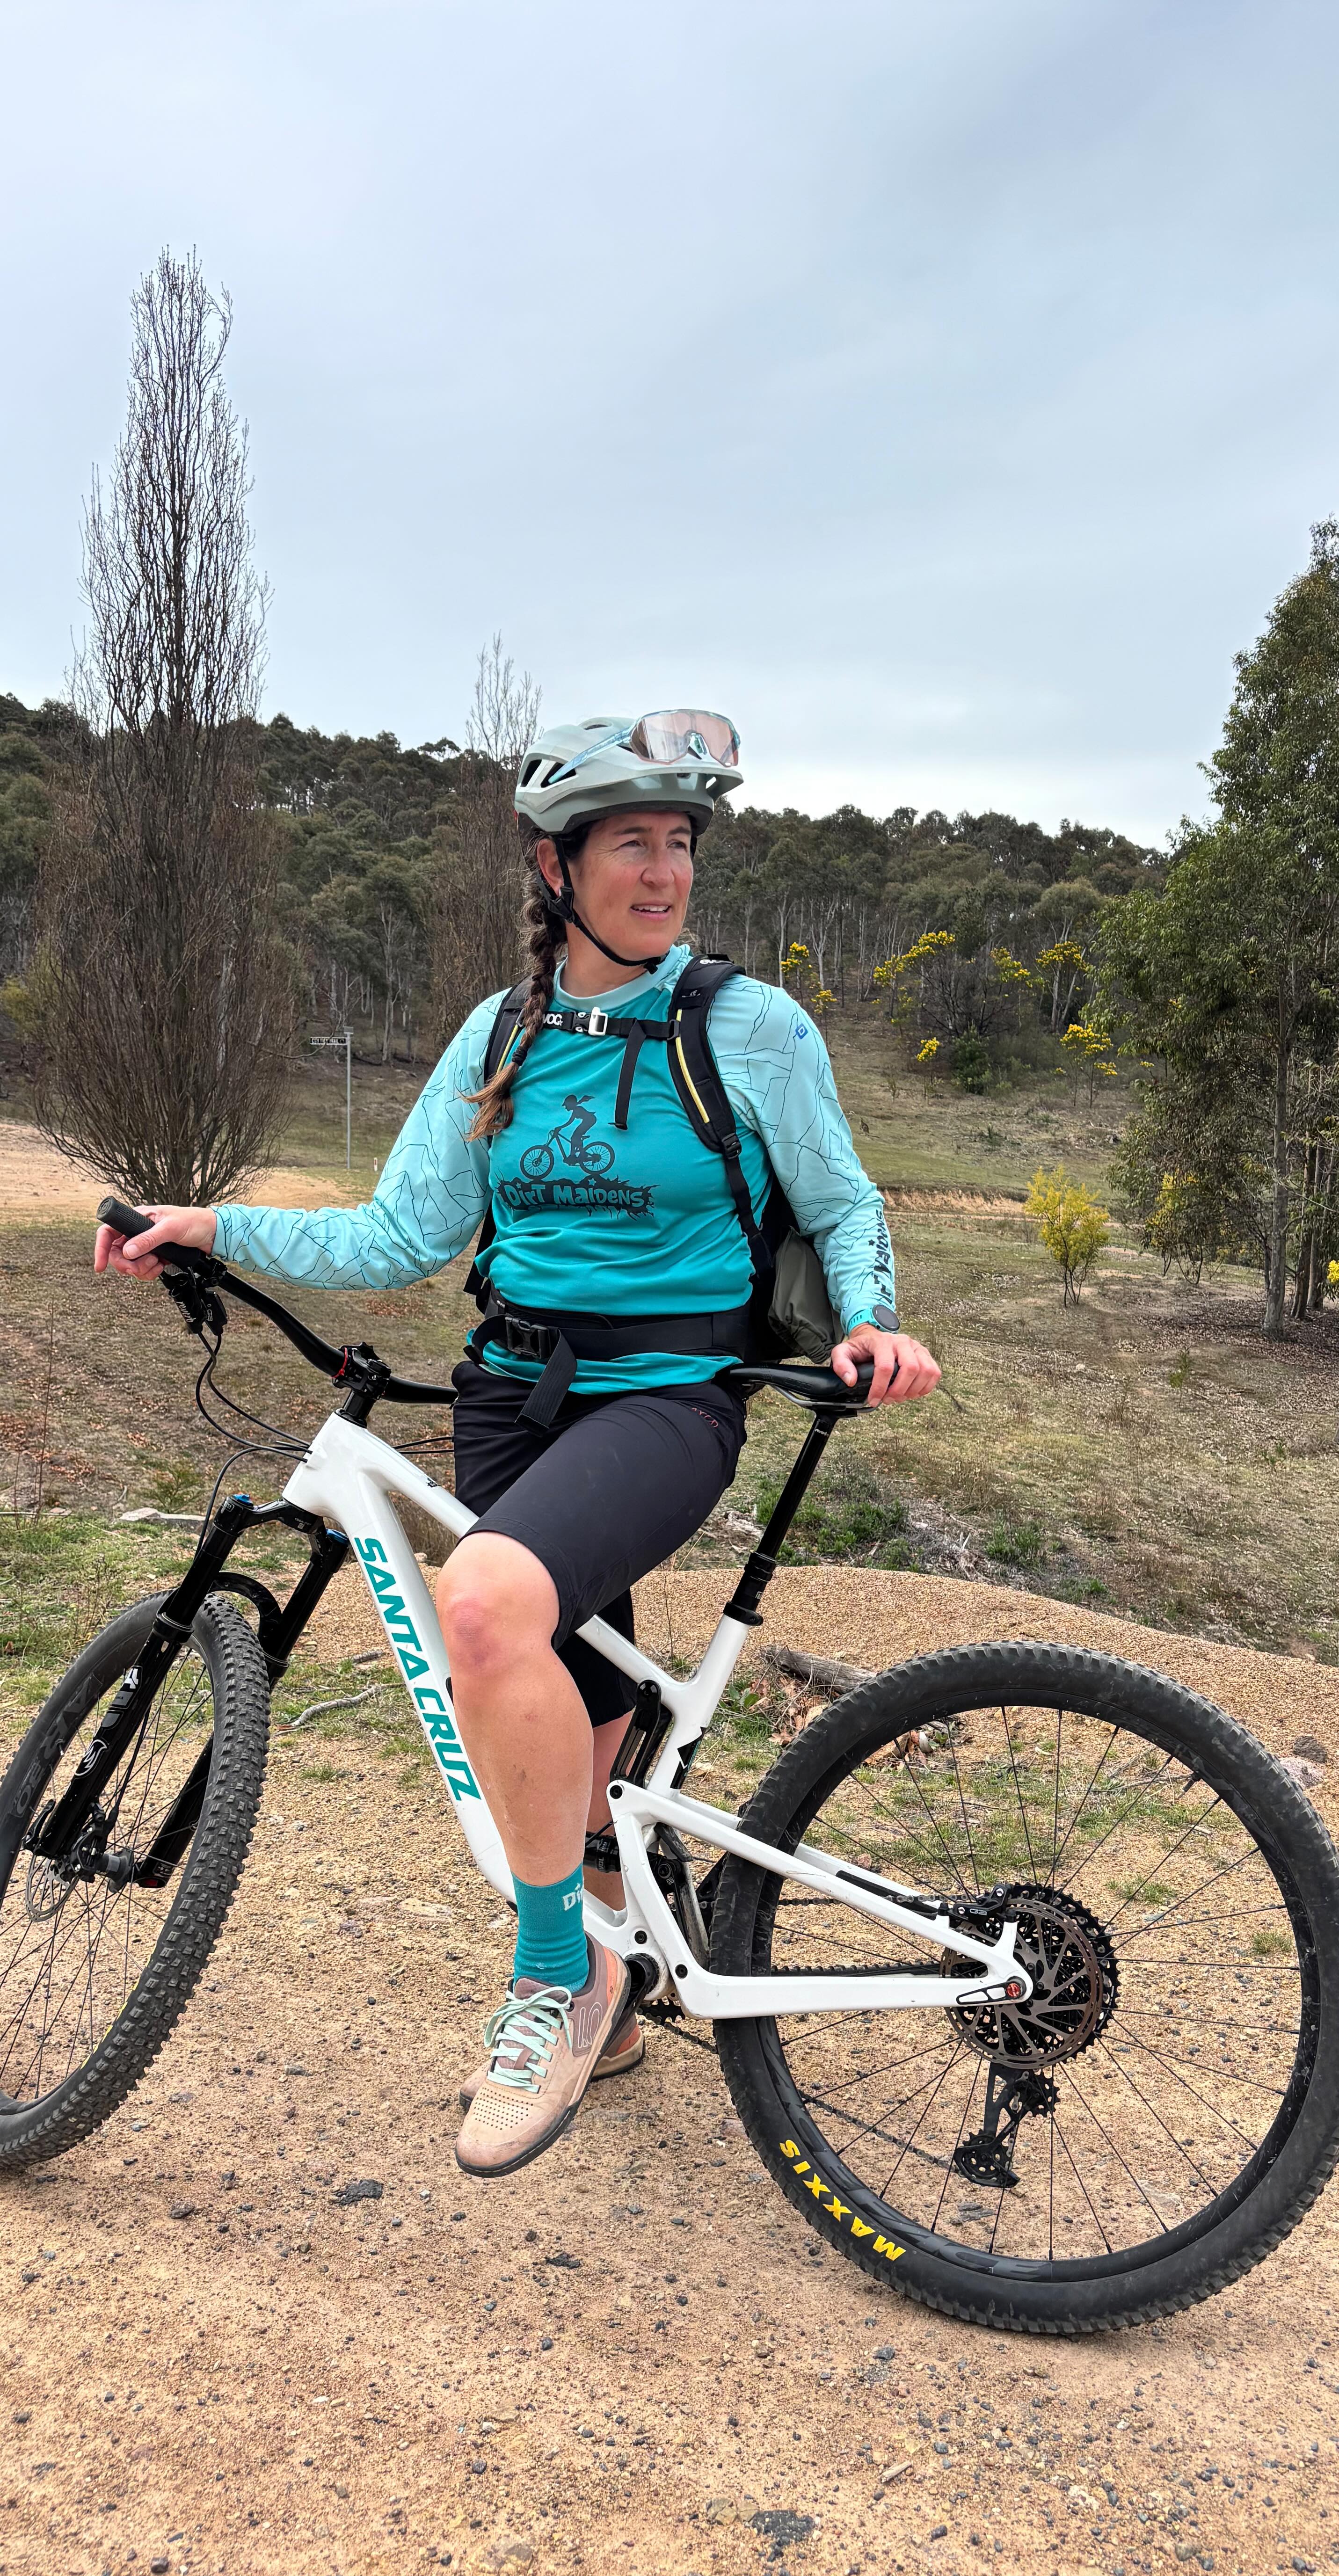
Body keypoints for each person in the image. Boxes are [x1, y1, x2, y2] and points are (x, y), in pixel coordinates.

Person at [96, 709, 941, 2182]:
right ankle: (617, 1964)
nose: (666, 872)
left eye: (681, 844)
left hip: (670, 1403)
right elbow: (401, 1232)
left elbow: (845, 1197)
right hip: (507, 1400)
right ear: (557, 869)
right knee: (575, 1694)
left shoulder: (748, 1029)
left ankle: (555, 1975)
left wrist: (871, 1319)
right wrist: (212, 1225)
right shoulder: (503, 1037)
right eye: (635, 844)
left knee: (485, 1608)